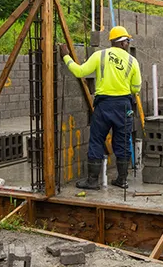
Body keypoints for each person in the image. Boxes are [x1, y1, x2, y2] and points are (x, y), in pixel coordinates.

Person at [59, 26, 141, 190]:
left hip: (104, 106)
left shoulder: (100, 55)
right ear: (122, 43)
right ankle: (122, 180)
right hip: (123, 106)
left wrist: (66, 56)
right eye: (127, 41)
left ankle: (92, 181)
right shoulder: (133, 61)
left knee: (96, 140)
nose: (128, 44)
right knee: (123, 142)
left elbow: (80, 71)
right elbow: (136, 88)